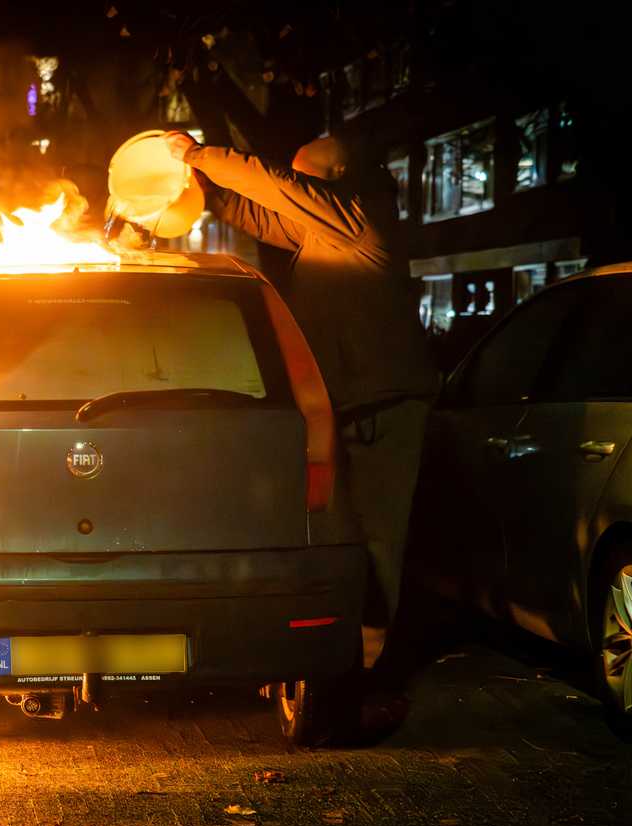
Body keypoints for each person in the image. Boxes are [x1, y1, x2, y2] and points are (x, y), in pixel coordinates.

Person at [163, 130, 440, 671]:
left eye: (305, 177)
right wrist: (210, 193)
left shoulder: (358, 218)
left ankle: (373, 657)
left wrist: (198, 154)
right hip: (347, 405)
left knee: (379, 537)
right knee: (338, 535)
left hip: (386, 408)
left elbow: (276, 188)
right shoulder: (326, 233)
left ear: (334, 177)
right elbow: (265, 215)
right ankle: (344, 647)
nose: (296, 187)